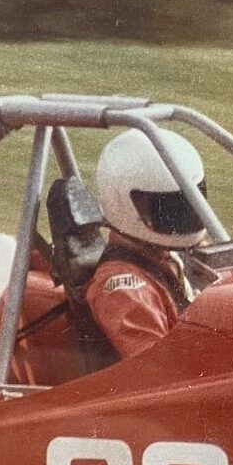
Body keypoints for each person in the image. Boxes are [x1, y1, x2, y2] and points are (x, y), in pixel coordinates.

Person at [85, 127, 209, 360]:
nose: (180, 217)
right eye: (167, 208)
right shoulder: (125, 289)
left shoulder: (171, 254)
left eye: (186, 204)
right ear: (125, 204)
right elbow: (157, 369)